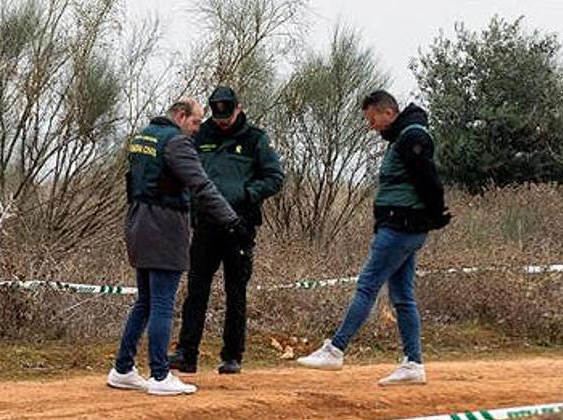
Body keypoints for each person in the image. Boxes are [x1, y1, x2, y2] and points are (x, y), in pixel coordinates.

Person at [297, 90, 451, 386]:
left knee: (367, 286)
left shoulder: (412, 136)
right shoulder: (403, 136)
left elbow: (428, 177)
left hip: (400, 226)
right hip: (403, 226)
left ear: (388, 113)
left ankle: (336, 349)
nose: (371, 126)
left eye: (372, 119)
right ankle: (413, 363)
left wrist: (434, 213)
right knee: (403, 297)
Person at [107, 98, 251, 396]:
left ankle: (123, 369)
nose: (199, 129)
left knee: (145, 301)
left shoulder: (143, 137)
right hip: (164, 228)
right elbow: (202, 185)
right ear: (181, 116)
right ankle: (160, 375)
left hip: (137, 225)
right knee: (161, 303)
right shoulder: (176, 143)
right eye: (197, 122)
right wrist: (231, 220)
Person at [168, 86, 285, 375]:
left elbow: (275, 177)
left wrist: (248, 193)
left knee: (236, 291)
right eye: (217, 115)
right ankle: (187, 353)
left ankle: (232, 355)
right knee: (196, 289)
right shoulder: (200, 135)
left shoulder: (255, 139)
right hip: (206, 224)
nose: (222, 121)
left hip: (240, 225)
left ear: (238, 108)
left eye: (228, 114)